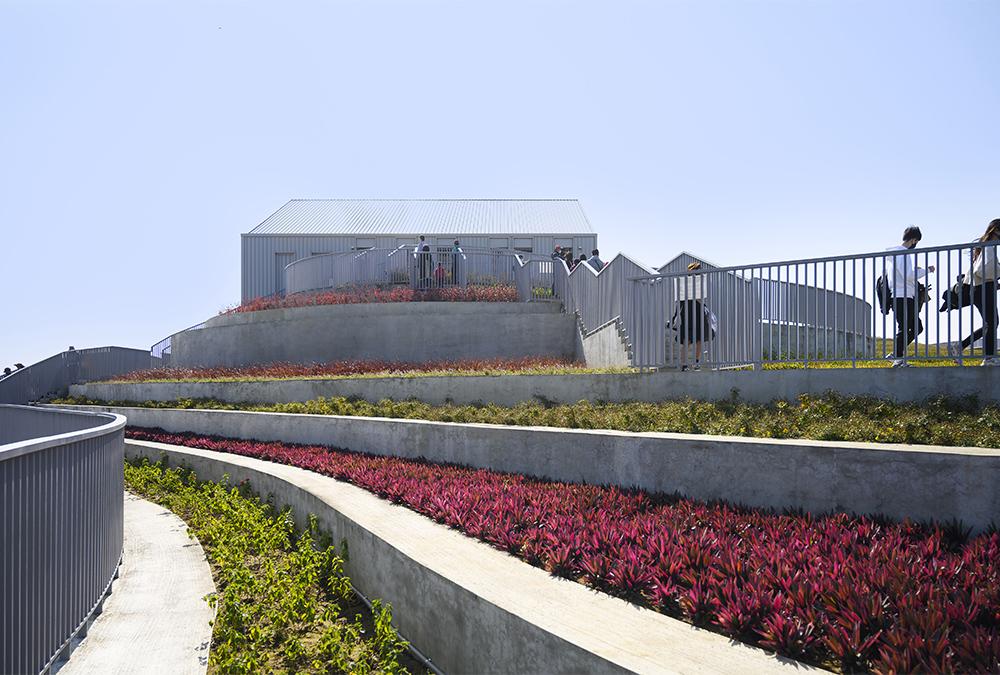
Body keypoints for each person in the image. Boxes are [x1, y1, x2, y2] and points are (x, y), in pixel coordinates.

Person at [886, 226, 935, 367]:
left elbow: (903, 275)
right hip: (903, 296)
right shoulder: (903, 254)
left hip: (901, 295)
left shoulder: (896, 255)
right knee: (906, 327)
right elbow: (908, 276)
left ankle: (896, 355)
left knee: (915, 327)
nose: (915, 245)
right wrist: (926, 270)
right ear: (914, 240)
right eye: (917, 242)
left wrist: (916, 271)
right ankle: (897, 359)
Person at [953, 219, 1000, 366]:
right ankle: (989, 357)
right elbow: (982, 270)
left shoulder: (985, 246)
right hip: (983, 288)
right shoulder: (990, 246)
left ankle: (960, 347)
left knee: (990, 323)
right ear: (997, 230)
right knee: (992, 322)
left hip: (980, 288)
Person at [674, 262, 712, 370]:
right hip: (693, 310)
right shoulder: (692, 282)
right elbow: (699, 298)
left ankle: (687, 364)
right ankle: (691, 363)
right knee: (693, 339)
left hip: (690, 310)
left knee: (692, 339)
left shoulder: (685, 282)